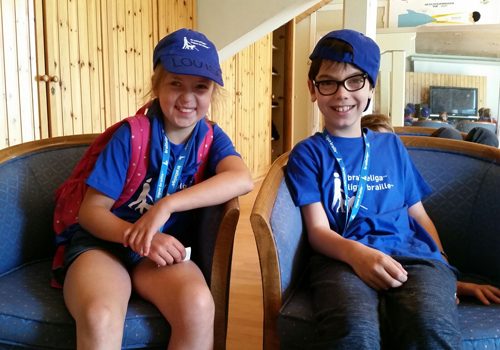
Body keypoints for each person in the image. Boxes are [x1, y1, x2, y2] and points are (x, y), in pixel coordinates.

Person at [285, 28, 500, 349]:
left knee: (430, 325)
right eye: (328, 82)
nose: (342, 93)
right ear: (312, 89)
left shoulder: (391, 146)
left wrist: (444, 268)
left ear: (370, 87)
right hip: (342, 259)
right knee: (353, 330)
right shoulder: (307, 153)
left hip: (415, 259)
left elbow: (419, 215)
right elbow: (318, 230)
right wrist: (358, 255)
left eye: (355, 81)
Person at [52, 28, 254, 350]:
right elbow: (90, 213)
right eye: (176, 83)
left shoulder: (212, 138)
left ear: (212, 93)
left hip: (158, 254)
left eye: (200, 87)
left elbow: (242, 178)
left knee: (199, 306)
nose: (187, 99)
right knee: (101, 315)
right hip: (104, 246)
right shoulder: (131, 135)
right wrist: (136, 234)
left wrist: (167, 205)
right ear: (156, 84)